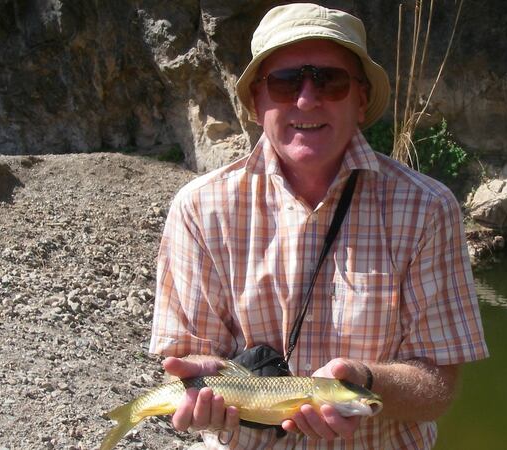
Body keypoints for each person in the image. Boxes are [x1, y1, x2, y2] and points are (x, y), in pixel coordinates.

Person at [149, 3, 488, 449]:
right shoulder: (198, 208)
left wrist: (365, 381)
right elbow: (187, 356)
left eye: (330, 81)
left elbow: (437, 388)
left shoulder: (428, 208)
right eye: (285, 82)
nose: (307, 100)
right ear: (256, 102)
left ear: (361, 99)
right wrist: (200, 382)